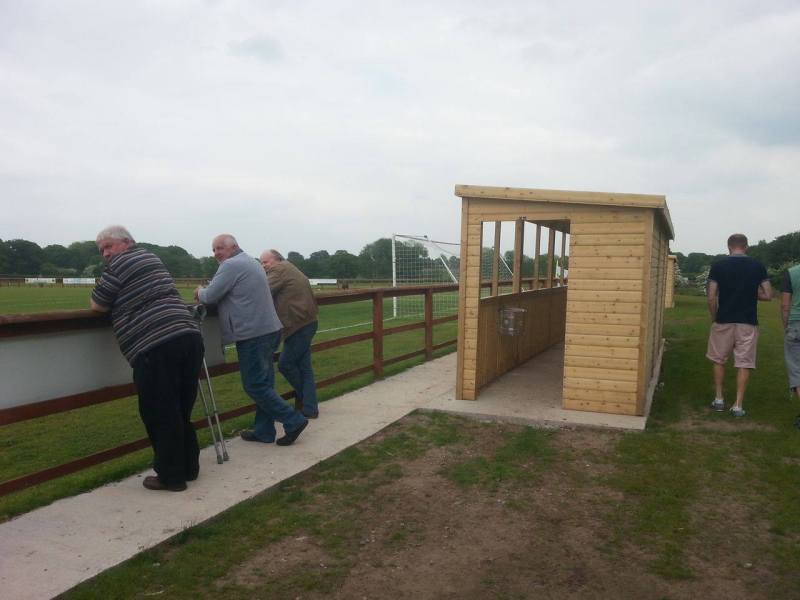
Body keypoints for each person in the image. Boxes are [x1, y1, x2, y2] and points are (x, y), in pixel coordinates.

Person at [90, 225, 204, 492]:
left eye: (108, 246)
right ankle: (189, 467)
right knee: (180, 408)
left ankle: (171, 477)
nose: (105, 254)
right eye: (102, 250)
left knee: (159, 411)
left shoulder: (120, 264)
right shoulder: (152, 257)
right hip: (188, 336)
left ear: (126, 242)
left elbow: (97, 304)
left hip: (156, 344)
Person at [195, 234, 308, 445]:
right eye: (214, 249)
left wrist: (200, 291)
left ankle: (293, 420)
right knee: (264, 383)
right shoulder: (250, 261)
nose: (216, 253)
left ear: (233, 247)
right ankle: (264, 431)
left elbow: (210, 296)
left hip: (253, 333)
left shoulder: (231, 265)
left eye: (220, 248)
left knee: (255, 385)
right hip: (268, 329)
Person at [706, 233, 772, 417]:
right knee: (744, 362)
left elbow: (711, 297)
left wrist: (714, 316)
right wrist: (750, 292)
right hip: (748, 322)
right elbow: (768, 295)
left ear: (728, 247)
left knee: (718, 359)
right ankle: (738, 405)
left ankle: (719, 399)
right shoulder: (758, 266)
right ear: (746, 247)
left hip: (723, 320)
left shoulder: (718, 266)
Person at [259, 249, 320, 419]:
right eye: (261, 263)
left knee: (285, 364)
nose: (263, 266)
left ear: (277, 259)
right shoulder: (290, 267)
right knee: (304, 367)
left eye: (266, 262)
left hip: (298, 325)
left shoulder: (278, 270)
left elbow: (261, 291)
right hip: (307, 321)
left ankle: (308, 402)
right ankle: (310, 407)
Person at [782, 262, 800, 426]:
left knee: (796, 370)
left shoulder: (792, 272)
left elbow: (785, 305)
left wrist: (785, 325)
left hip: (796, 325)